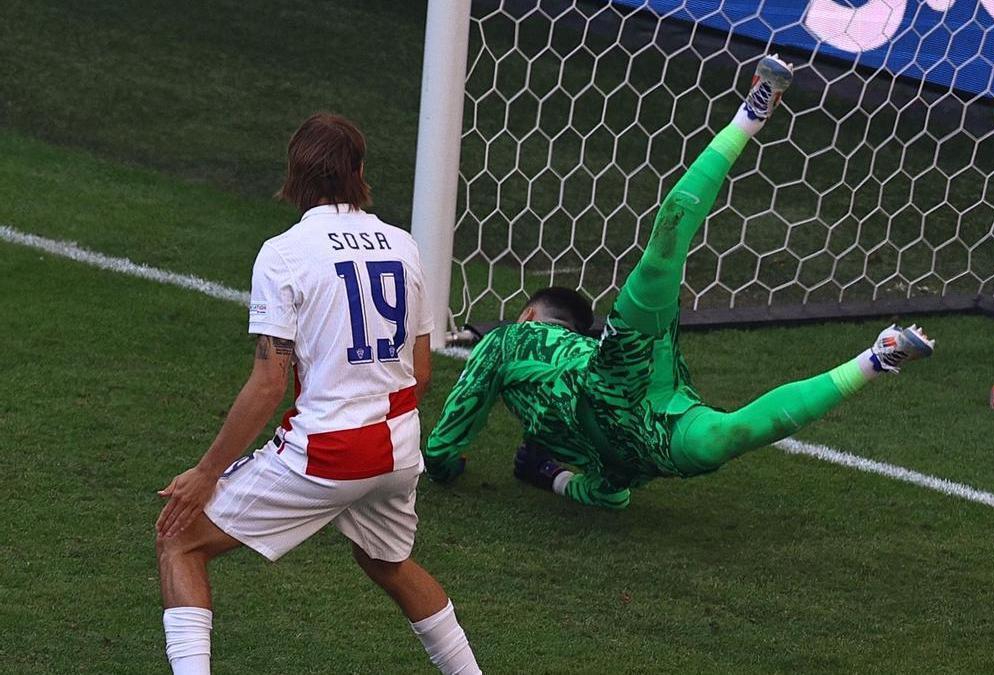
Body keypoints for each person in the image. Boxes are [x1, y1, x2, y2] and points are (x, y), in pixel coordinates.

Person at [423, 56, 936, 510]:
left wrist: (452, 467)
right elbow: (611, 495)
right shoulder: (575, 396)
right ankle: (876, 358)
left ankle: (747, 118)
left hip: (614, 380)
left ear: (529, 316)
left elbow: (448, 439)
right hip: (643, 429)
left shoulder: (508, 339)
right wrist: (551, 475)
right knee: (730, 433)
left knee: (662, 257)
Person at [154, 113, 480, 674]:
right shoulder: (404, 246)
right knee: (387, 562)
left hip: (329, 454)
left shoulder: (283, 253)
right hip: (399, 448)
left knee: (180, 541)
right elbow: (421, 373)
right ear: (358, 171)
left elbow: (268, 381)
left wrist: (207, 470)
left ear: (295, 175)